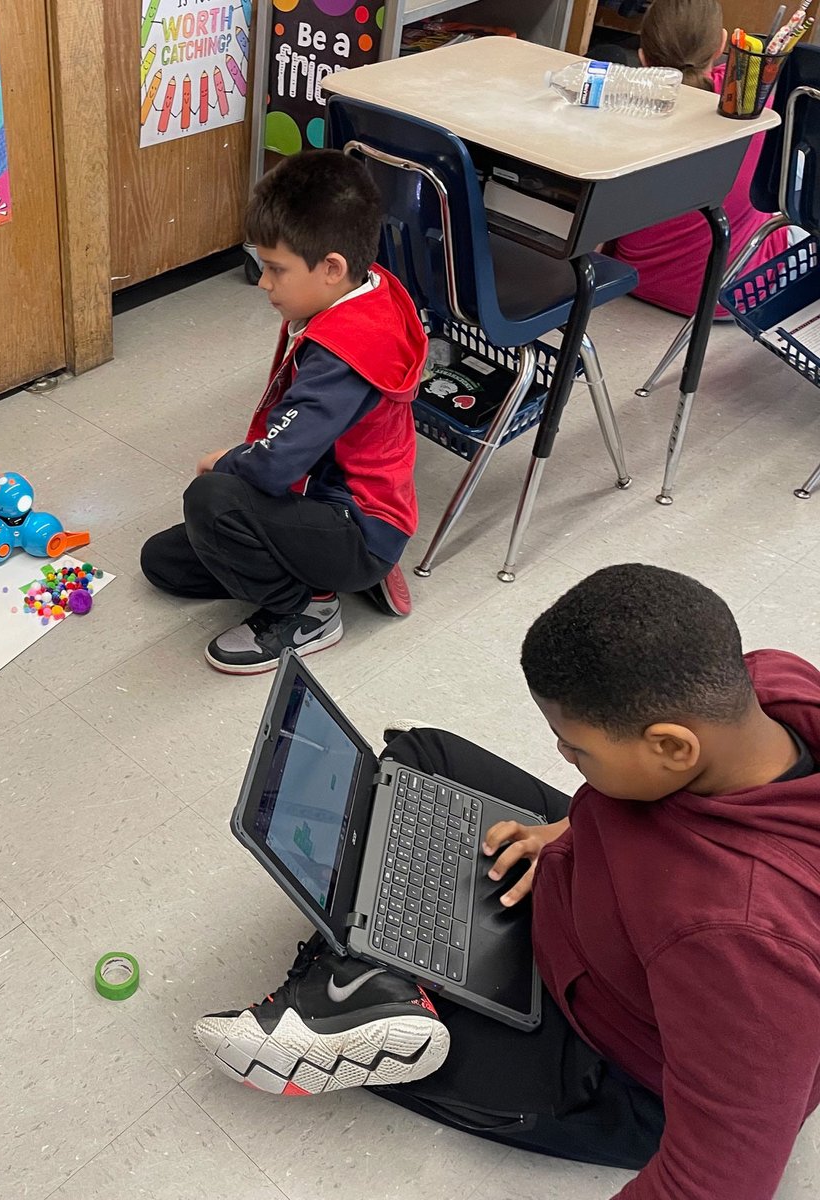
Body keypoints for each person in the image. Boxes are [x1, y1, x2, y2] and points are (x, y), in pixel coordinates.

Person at [195, 564, 820, 1199]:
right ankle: (379, 955)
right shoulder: (766, 688)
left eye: (577, 751)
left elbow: (716, 1183)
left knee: (407, 1040)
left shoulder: (741, 946)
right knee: (422, 758)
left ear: (672, 747)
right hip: (596, 902)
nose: (564, 758)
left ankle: (370, 978)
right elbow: (640, 811)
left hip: (604, 1056)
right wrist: (570, 831)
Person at [140, 150, 426, 675]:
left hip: (360, 523)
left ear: (332, 268)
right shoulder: (355, 292)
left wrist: (227, 460)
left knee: (212, 498)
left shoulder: (348, 351)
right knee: (163, 563)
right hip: (328, 500)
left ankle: (311, 609)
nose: (263, 283)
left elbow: (275, 465)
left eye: (275, 269)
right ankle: (325, 571)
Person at [608, 0, 791, 316]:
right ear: (722, 44)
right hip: (735, 296)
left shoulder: (618, 107)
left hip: (632, 278)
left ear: (641, 53)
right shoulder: (763, 109)